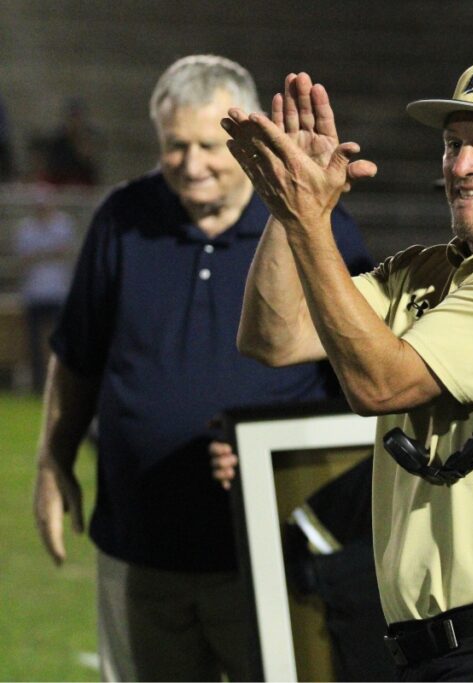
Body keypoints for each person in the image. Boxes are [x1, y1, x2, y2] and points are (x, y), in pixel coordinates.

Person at [216, 55, 473, 681]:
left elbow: (381, 384)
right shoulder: (431, 269)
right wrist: (284, 211)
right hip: (430, 653)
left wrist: (312, 218)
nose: (463, 165)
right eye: (454, 145)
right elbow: (273, 336)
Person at [31, 54, 372, 682]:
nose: (192, 164)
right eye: (174, 146)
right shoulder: (122, 217)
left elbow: (362, 379)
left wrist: (278, 455)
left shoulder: (318, 226)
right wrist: (53, 461)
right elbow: (77, 354)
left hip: (271, 555)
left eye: (209, 145)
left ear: (243, 136)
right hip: (141, 544)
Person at [14, 183, 77, 392]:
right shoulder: (26, 228)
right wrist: (49, 253)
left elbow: (64, 252)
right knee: (33, 344)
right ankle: (38, 384)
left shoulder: (63, 223)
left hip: (57, 292)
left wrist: (39, 254)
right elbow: (24, 260)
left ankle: (59, 382)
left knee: (57, 342)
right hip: (34, 293)